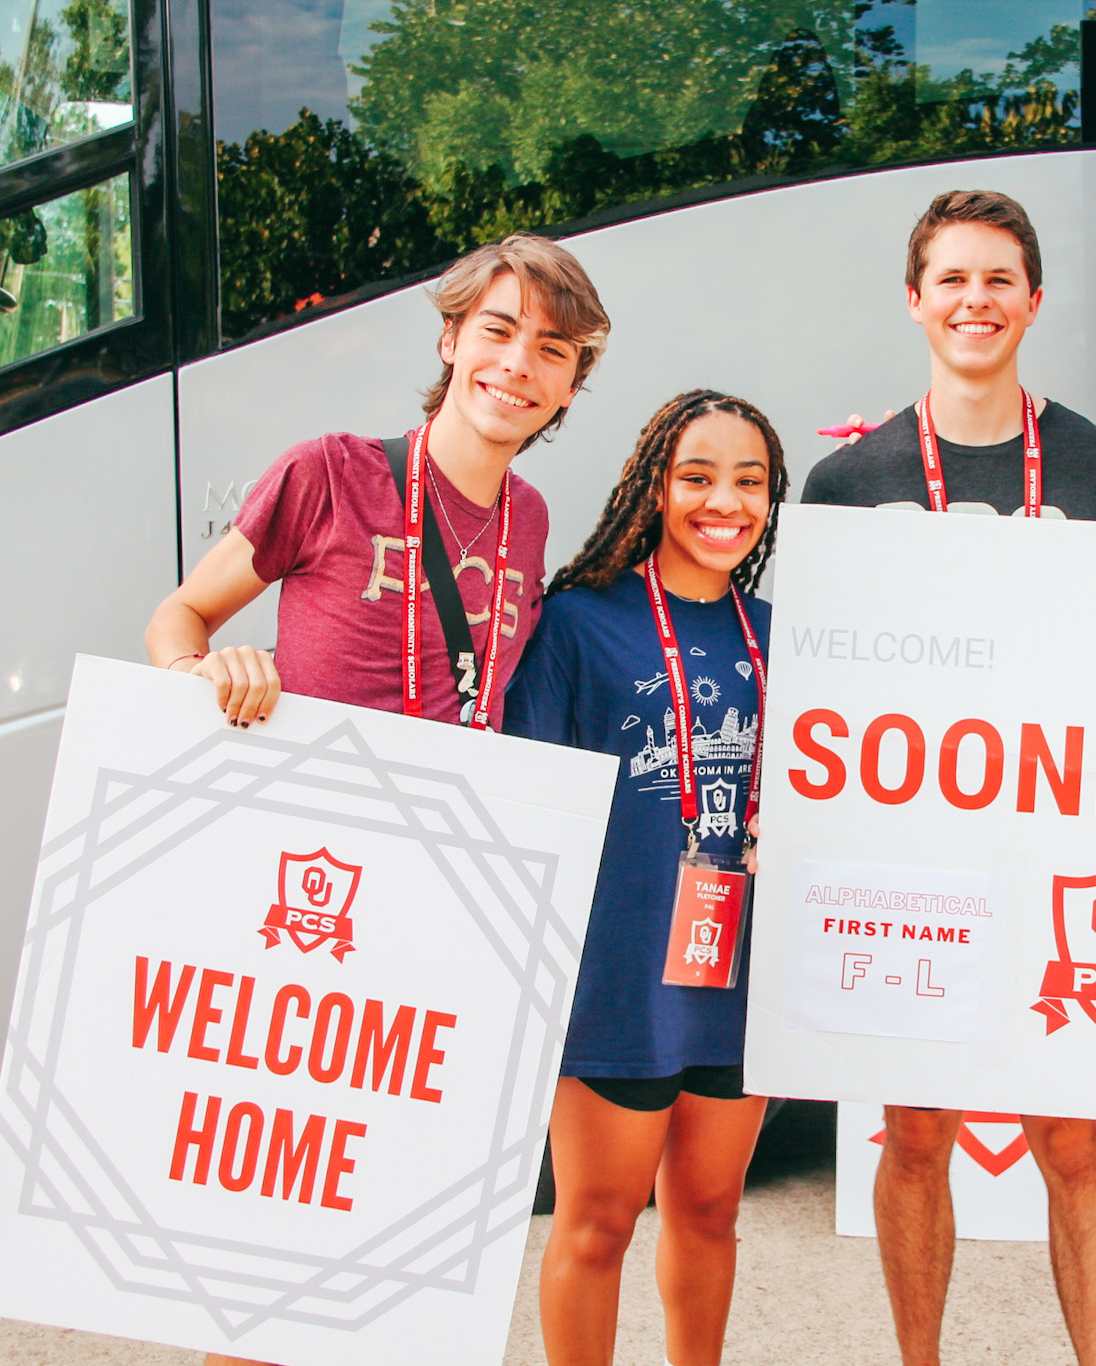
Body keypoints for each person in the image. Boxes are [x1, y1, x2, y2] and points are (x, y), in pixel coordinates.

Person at [140, 233, 611, 1366]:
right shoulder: (330, 471)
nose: (518, 364)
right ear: (451, 339)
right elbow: (178, 618)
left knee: (390, 1235)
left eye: (552, 350)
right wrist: (208, 673)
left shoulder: (532, 518)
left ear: (569, 381)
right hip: (306, 896)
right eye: (496, 332)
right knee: (266, 1235)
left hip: (439, 904)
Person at [803, 189, 1096, 1366]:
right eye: (950, 279)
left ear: (1034, 301)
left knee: (1071, 1139)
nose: (975, 300)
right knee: (914, 1133)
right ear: (914, 301)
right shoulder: (848, 483)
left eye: (999, 279)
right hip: (919, 864)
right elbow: (823, 694)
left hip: (1063, 853)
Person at [505, 390, 787, 1366]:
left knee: (708, 1215)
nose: (725, 501)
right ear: (654, 487)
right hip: (615, 973)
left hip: (742, 976)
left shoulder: (779, 632)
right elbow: (522, 797)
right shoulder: (579, 623)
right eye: (698, 476)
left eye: (748, 481)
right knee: (596, 1223)